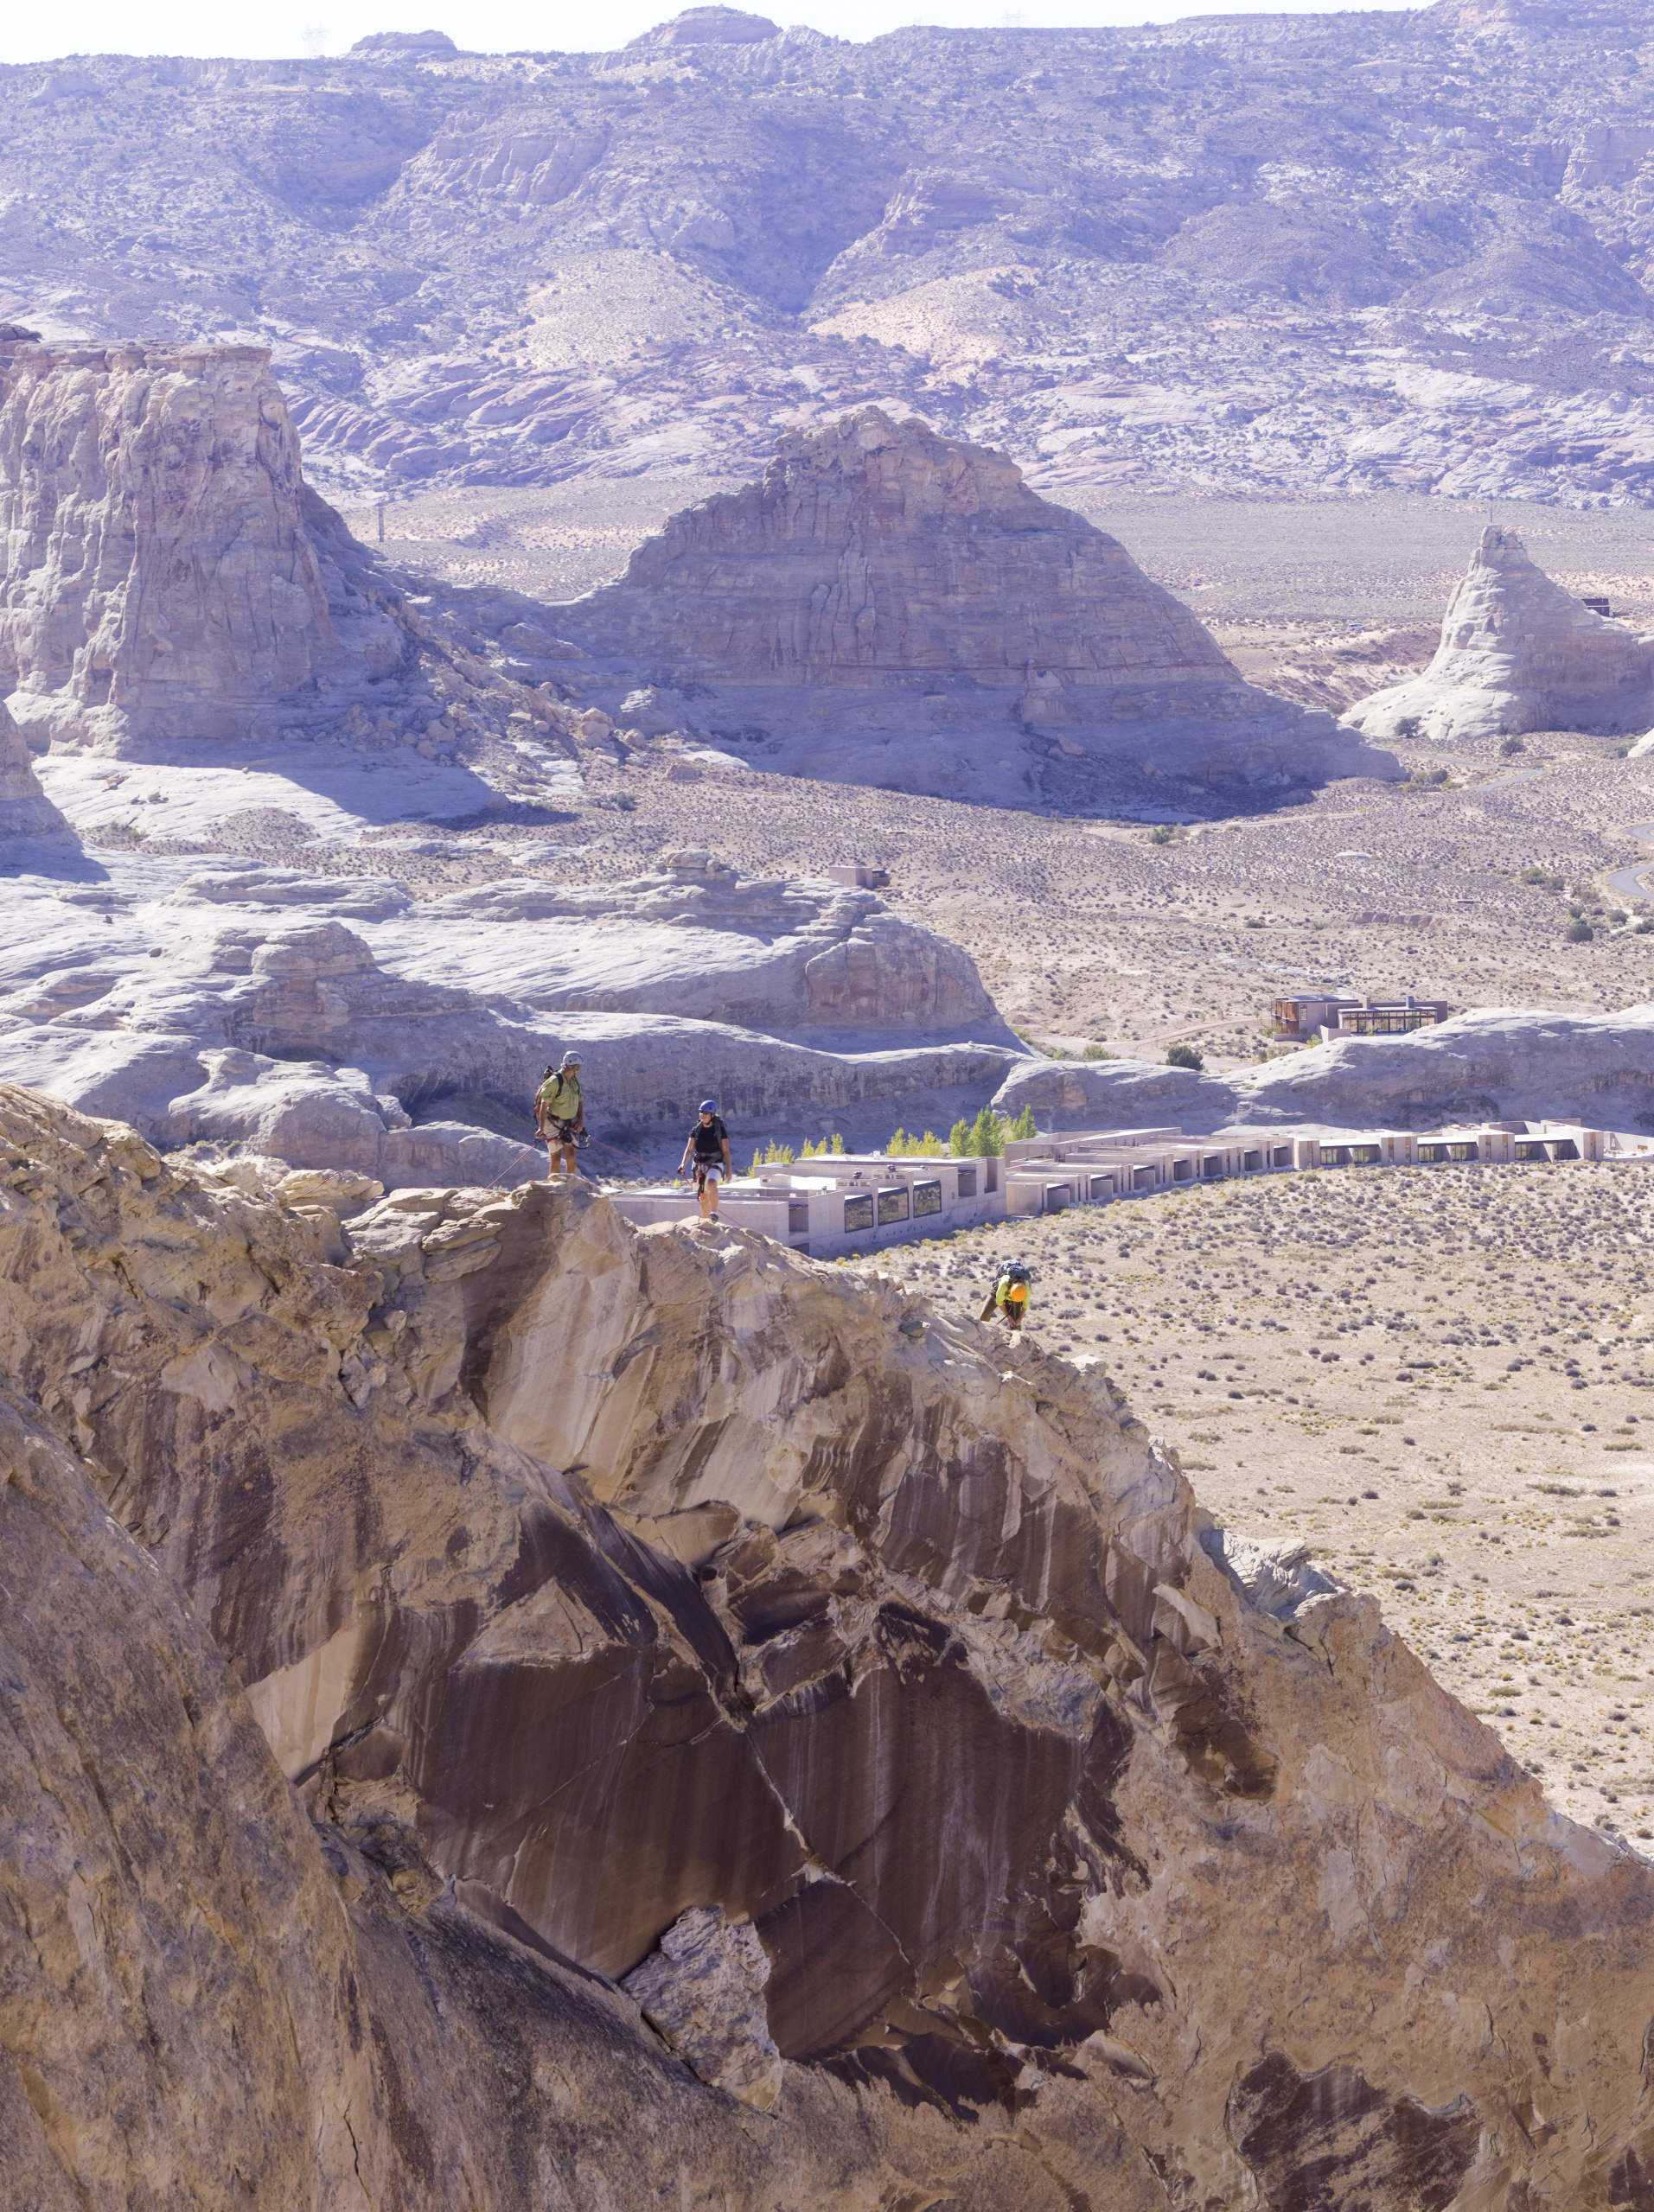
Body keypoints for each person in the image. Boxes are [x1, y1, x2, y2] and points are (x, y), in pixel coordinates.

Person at [534, 1052, 585, 1178]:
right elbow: (544, 1105)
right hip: (552, 1123)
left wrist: (580, 1121)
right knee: (556, 1158)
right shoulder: (554, 1081)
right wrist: (541, 1128)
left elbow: (579, 1101)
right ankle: (554, 1187)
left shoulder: (574, 1081)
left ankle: (570, 1185)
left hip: (569, 1123)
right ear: (575, 1067)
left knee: (571, 1157)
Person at [680, 1100, 733, 1217]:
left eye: (705, 1112)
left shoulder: (719, 1130)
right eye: (700, 1112)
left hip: (716, 1163)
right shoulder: (696, 1130)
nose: (702, 1115)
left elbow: (726, 1151)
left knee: (712, 1183)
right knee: (703, 1196)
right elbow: (689, 1149)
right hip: (699, 1165)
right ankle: (706, 1221)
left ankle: (713, 1213)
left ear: (712, 1115)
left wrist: (729, 1170)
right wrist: (683, 1164)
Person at [979, 1260, 1033, 1334]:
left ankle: (1014, 1340)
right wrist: (1009, 1318)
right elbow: (999, 1302)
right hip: (996, 1294)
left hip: (1015, 1297)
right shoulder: (1004, 1284)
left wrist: (1020, 1319)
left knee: (1016, 1326)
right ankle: (980, 1334)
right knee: (984, 1317)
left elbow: (1025, 1304)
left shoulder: (1026, 1288)